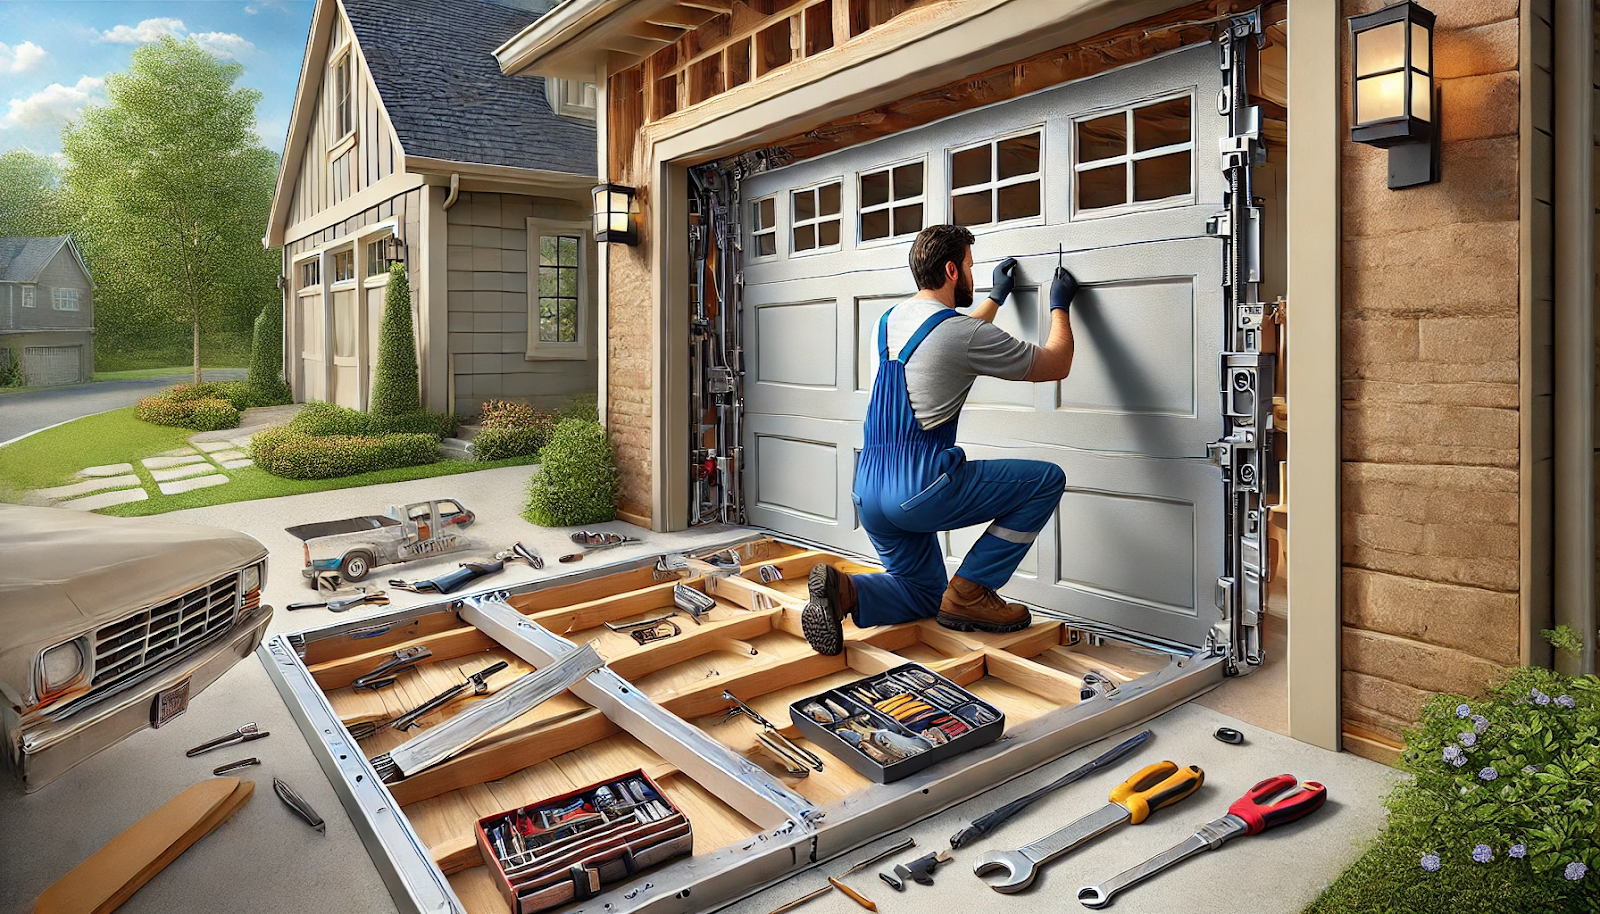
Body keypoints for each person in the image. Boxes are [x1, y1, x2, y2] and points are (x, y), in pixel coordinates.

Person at [801, 224, 1079, 655]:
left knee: (925, 593)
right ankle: (972, 592)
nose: (973, 273)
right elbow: (1055, 363)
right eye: (969, 266)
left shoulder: (890, 320)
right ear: (952, 270)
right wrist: (1059, 306)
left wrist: (997, 298)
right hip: (918, 487)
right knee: (1045, 481)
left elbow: (950, 342)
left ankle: (846, 592)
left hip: (869, 490)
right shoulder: (962, 334)